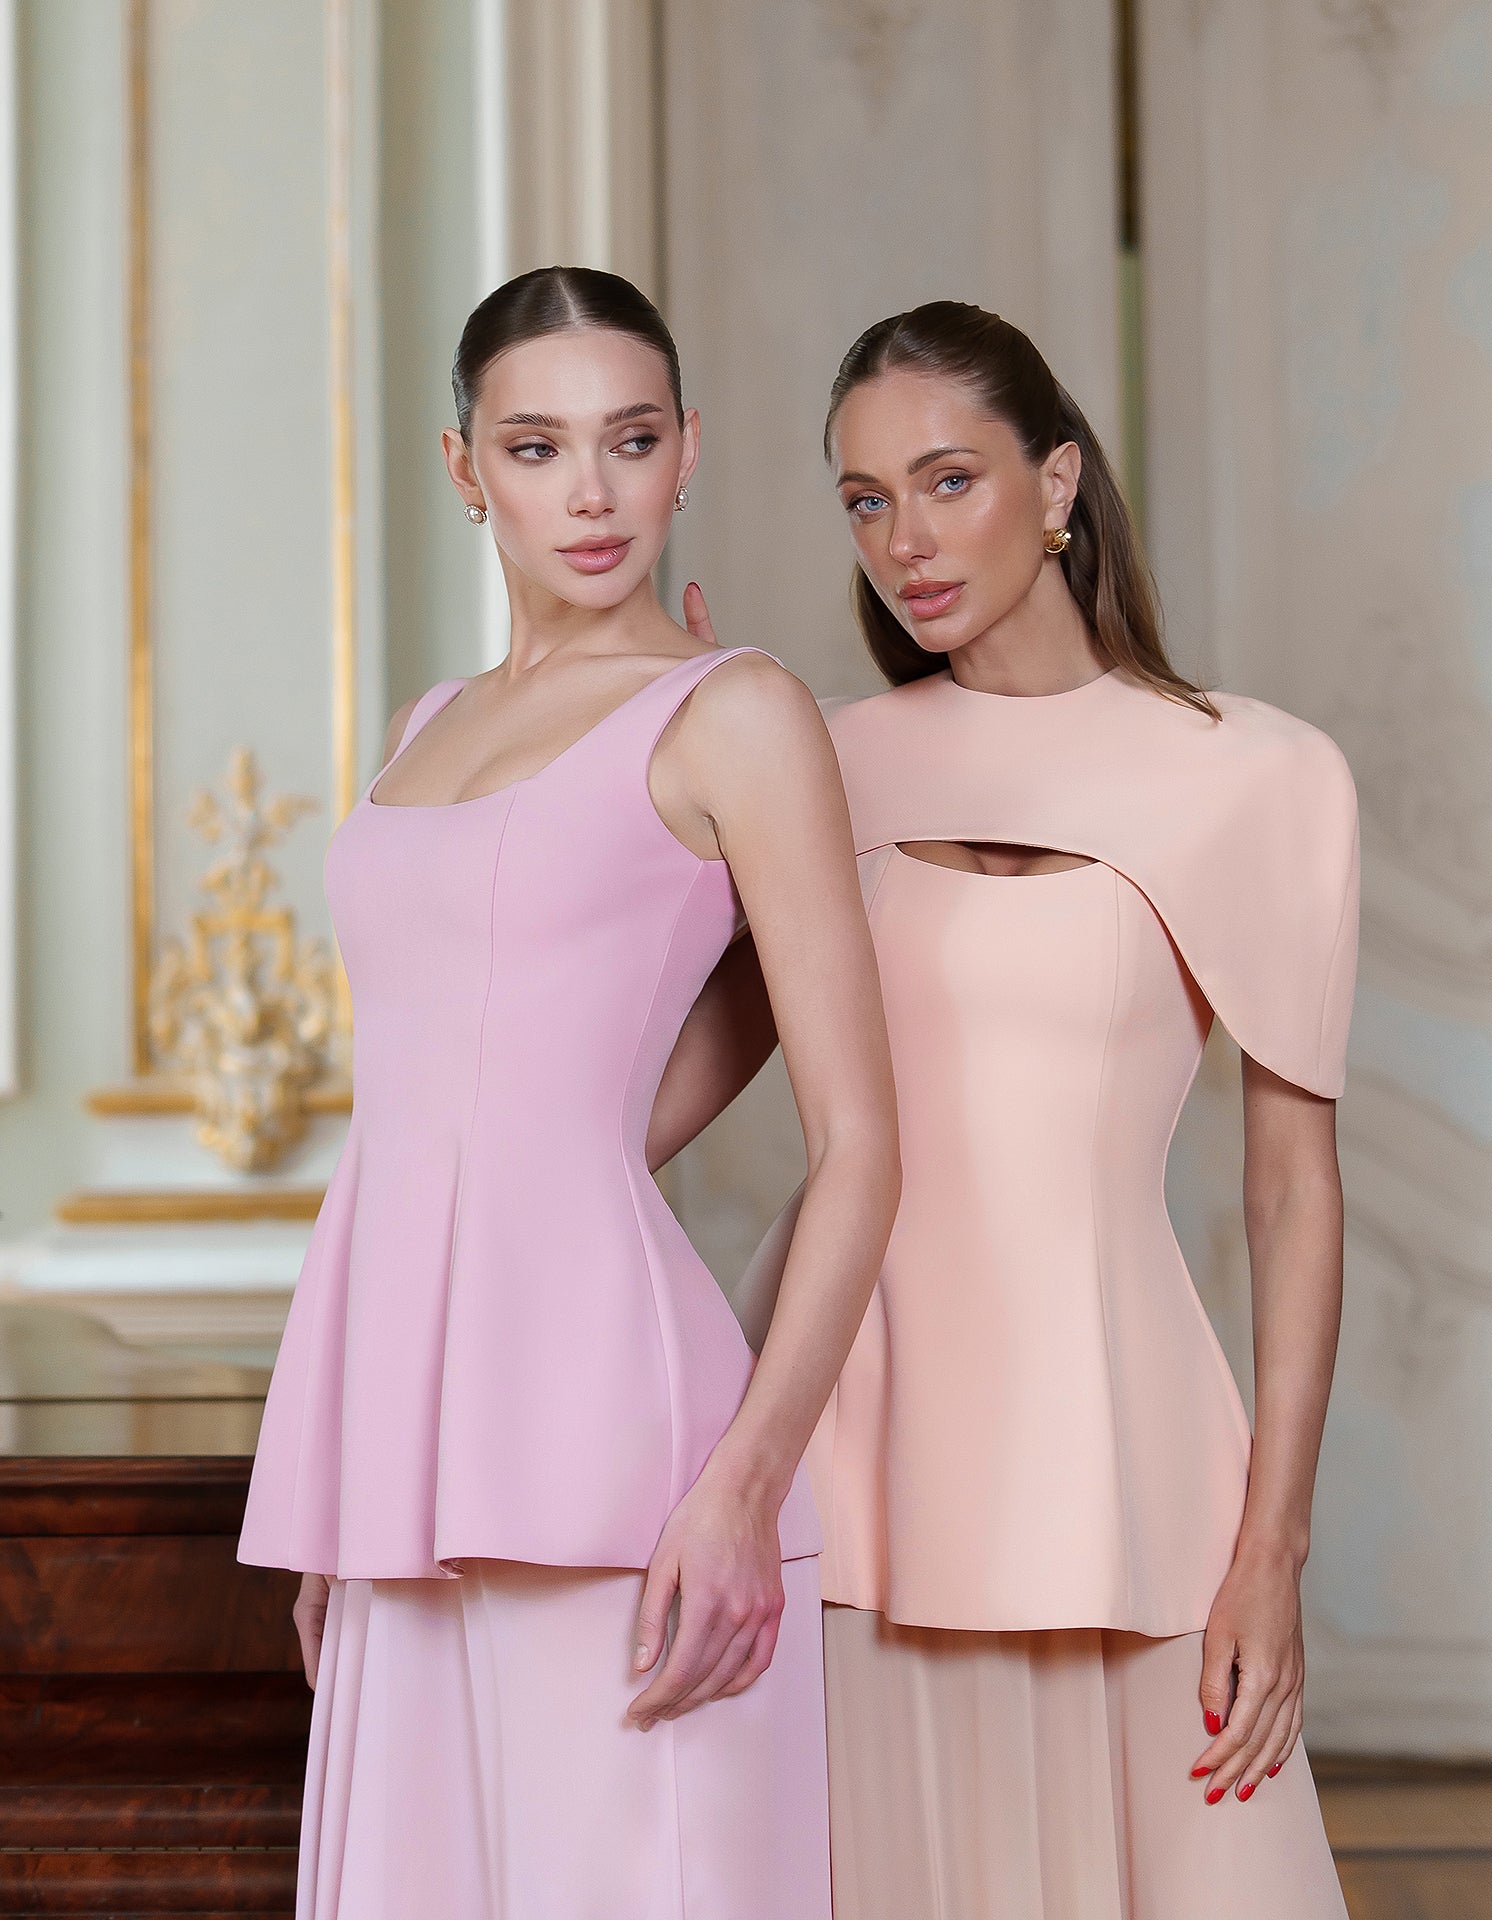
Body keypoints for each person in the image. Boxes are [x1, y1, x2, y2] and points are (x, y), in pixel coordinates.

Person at [237, 266, 900, 1920]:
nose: (592, 492)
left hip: (621, 1437)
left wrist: (746, 1483)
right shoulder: (426, 724)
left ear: (690, 450)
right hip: (407, 1441)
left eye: (632, 439)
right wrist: (340, 1493)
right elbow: (476, 1106)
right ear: (465, 467)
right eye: (537, 447)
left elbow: (864, 1145)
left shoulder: (737, 712)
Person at [678, 300, 1355, 1916]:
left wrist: (1273, 1545)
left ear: (1056, 482)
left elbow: (1292, 1192)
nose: (904, 542)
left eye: (947, 481)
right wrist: (656, 720)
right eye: (865, 500)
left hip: (1118, 1457)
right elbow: (650, 1099)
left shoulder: (1257, 776)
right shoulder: (818, 756)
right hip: (846, 1446)